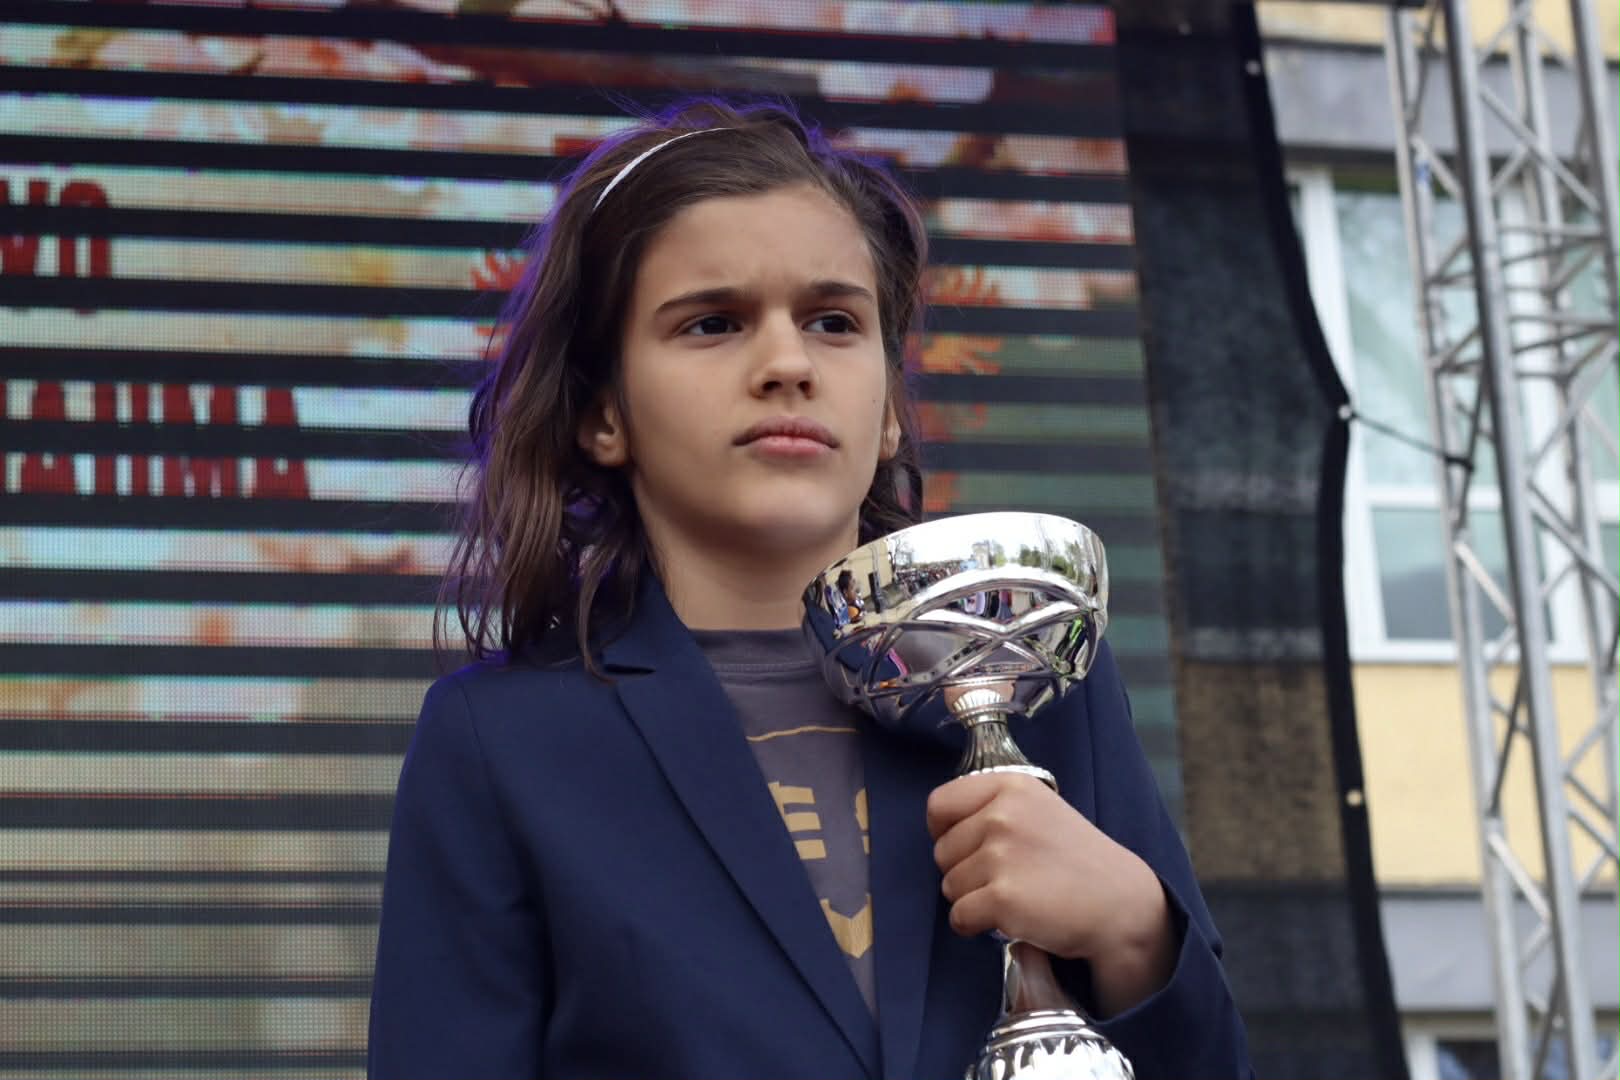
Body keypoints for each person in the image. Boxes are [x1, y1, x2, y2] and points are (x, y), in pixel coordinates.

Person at [367, 97, 1251, 1080]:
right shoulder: (500, 744)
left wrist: (1134, 931)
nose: (787, 363)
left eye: (834, 321)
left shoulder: (1039, 676)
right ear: (602, 413)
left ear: (890, 409)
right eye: (713, 323)